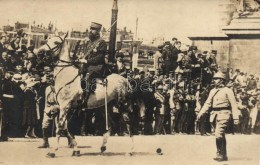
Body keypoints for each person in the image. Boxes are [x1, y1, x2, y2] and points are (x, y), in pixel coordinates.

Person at [197, 71, 240, 162]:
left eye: (216, 79)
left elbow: (233, 105)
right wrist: (201, 113)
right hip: (214, 114)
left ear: (221, 80)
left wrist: (236, 117)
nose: (214, 81)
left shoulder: (228, 91)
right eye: (214, 79)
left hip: (224, 113)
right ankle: (224, 154)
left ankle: (219, 153)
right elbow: (207, 103)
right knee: (221, 135)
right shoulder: (213, 91)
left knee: (218, 134)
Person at [79, 22, 107, 101]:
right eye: (90, 28)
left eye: (93, 29)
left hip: (98, 66)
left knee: (88, 75)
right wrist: (82, 57)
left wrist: (87, 61)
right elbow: (87, 55)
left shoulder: (102, 43)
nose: (90, 30)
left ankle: (86, 98)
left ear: (98, 31)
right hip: (89, 64)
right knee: (78, 71)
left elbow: (100, 58)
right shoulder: (90, 43)